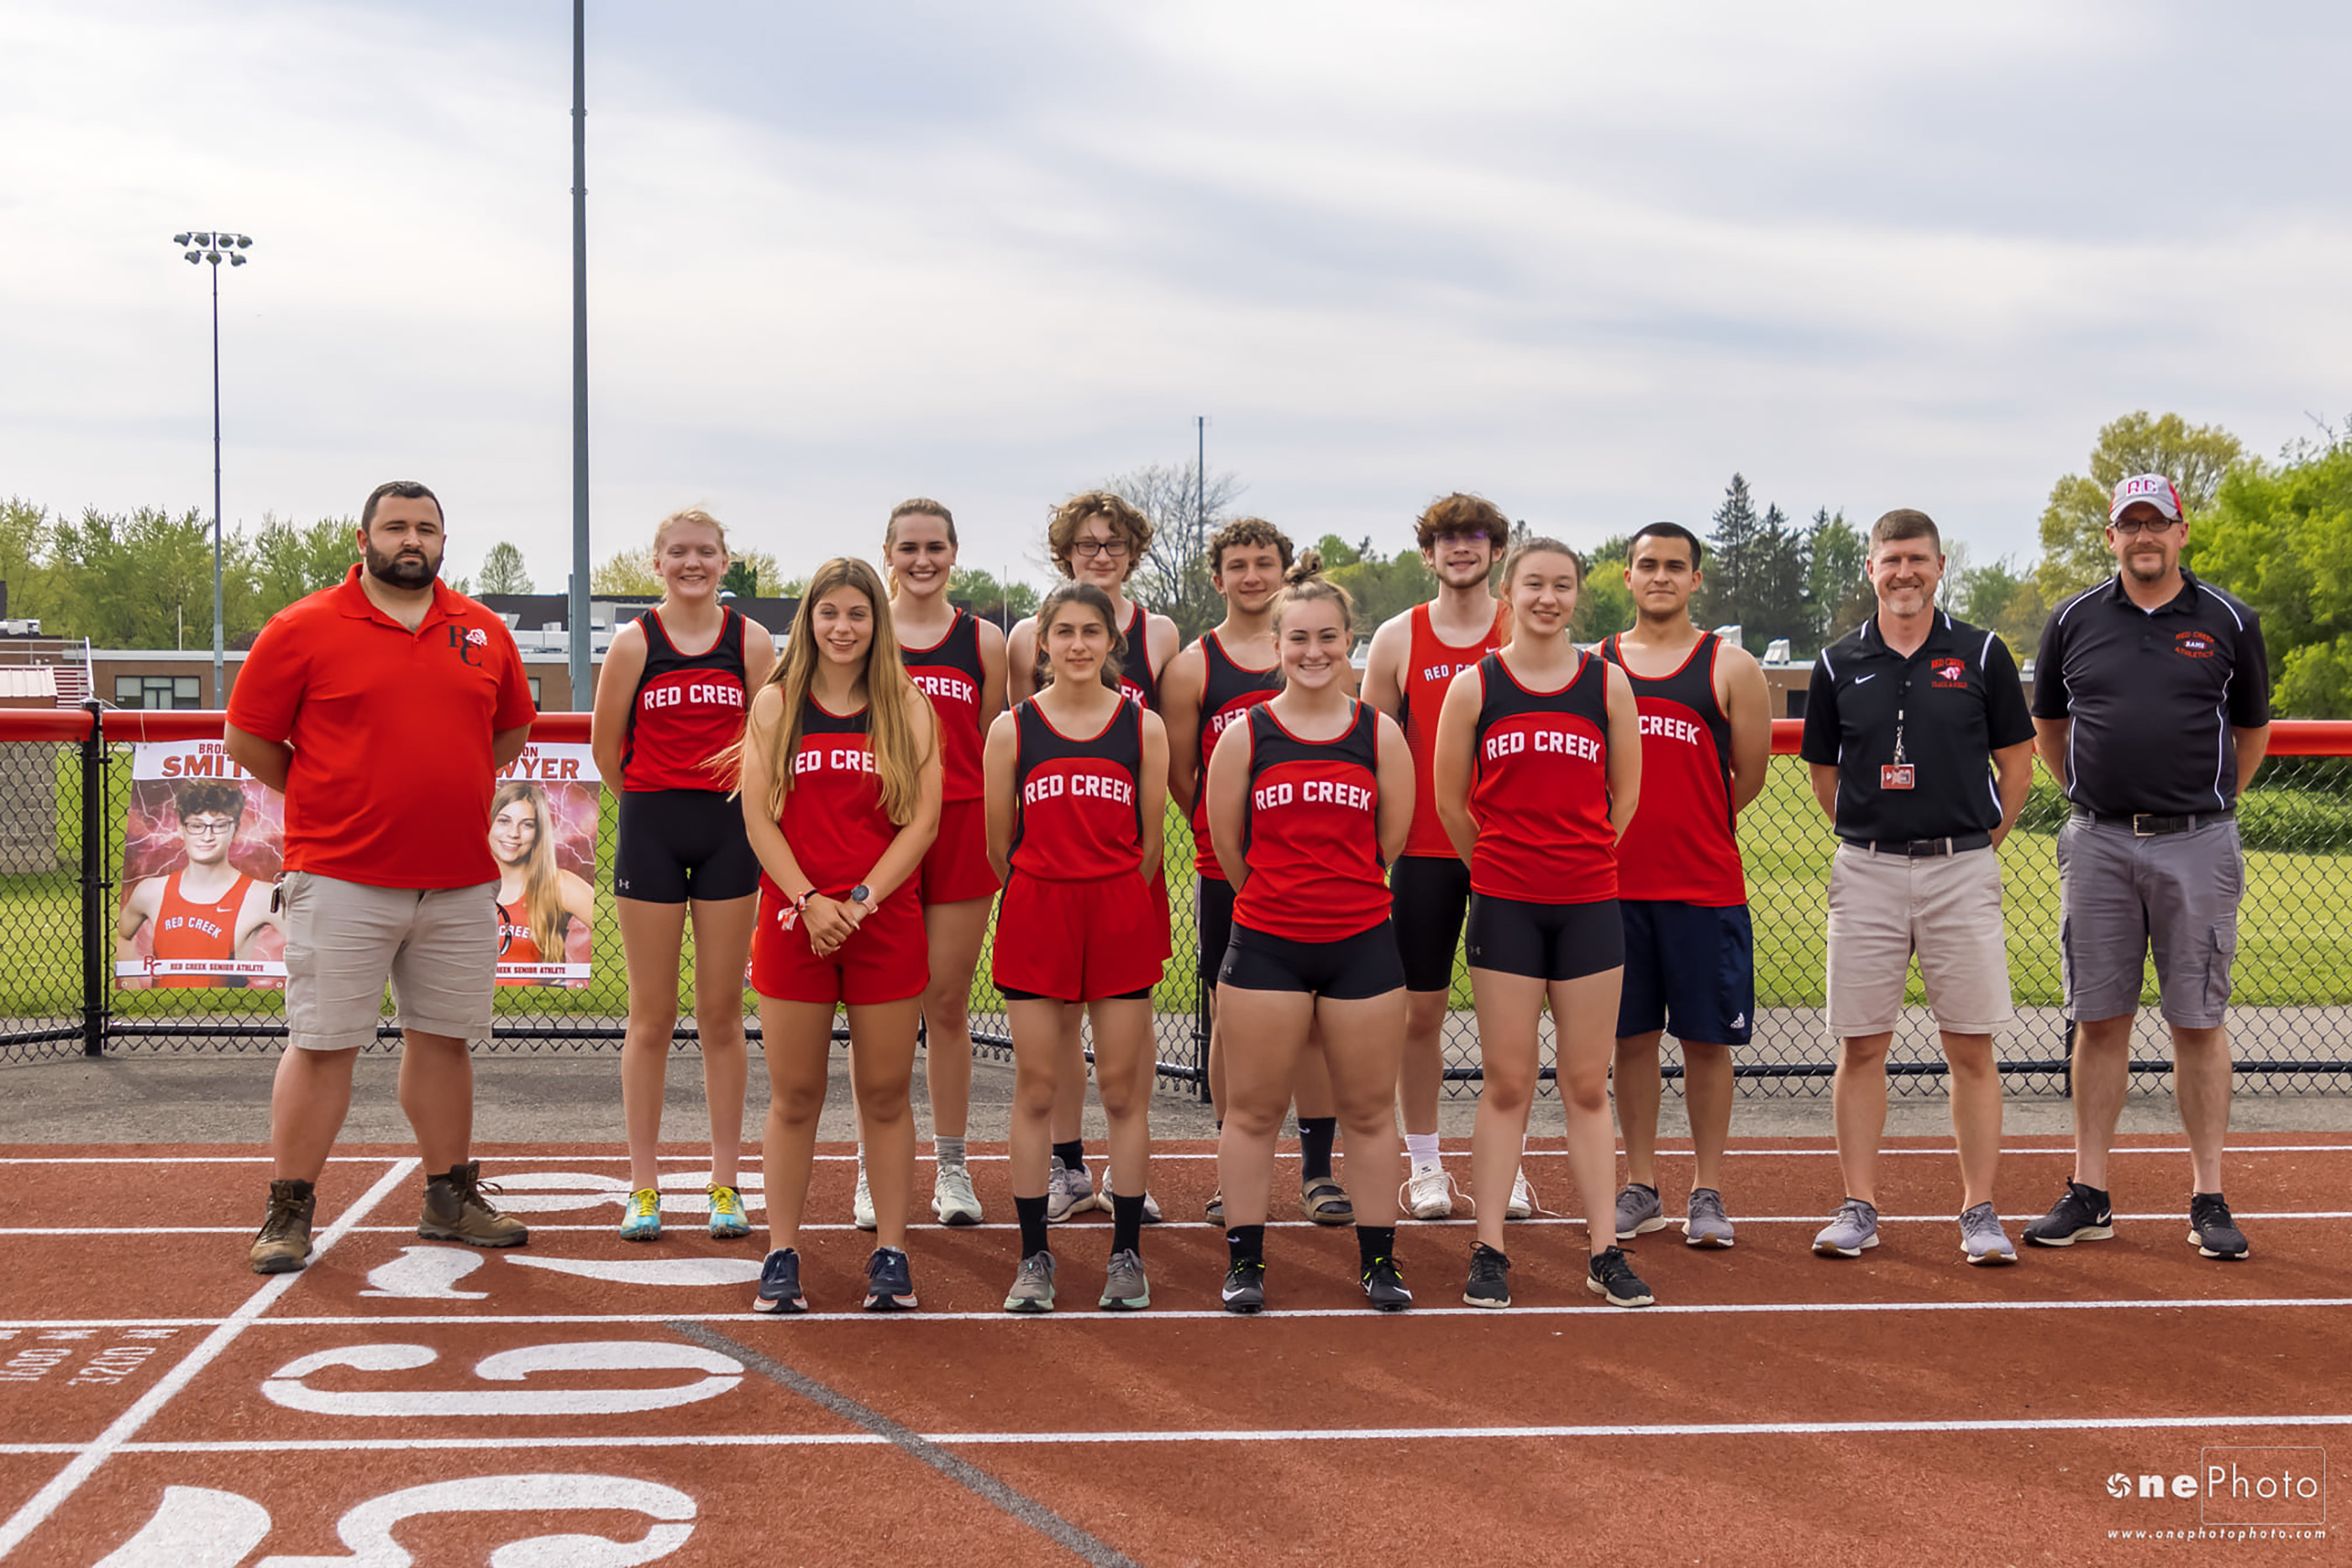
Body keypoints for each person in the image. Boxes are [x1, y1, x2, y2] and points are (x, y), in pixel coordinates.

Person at [226, 479, 535, 1274]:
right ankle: (288, 1207)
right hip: (341, 874)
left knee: (443, 1040)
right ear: (361, 537)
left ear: (443, 541)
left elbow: (506, 735)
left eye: (426, 528)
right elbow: (249, 739)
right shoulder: (302, 627)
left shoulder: (483, 629)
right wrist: (334, 790)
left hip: (459, 879)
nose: (412, 540)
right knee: (324, 1042)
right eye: (395, 526)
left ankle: (448, 1195)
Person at [2024, 473, 2271, 1261]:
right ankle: (2090, 1190)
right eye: (2129, 525)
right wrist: (2094, 798)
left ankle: (2207, 1195)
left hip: (2198, 840)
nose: (2143, 537)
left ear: (2182, 530)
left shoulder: (2230, 619)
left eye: (2155, 523)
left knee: (2197, 1020)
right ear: (2110, 537)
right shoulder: (2072, 618)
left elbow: (2252, 732)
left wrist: (2208, 801)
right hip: (2097, 841)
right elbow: (2048, 730)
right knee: (2098, 1022)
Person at [1798, 509, 2034, 1266]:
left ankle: (1979, 1211)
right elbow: (1824, 776)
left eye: (1918, 560)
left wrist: (1966, 844)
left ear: (1940, 568)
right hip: (1865, 867)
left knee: (1971, 1046)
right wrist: (1876, 837)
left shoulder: (1983, 652)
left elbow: (2018, 767)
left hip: (1960, 866)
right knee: (1861, 1044)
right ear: (1870, 569)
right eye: (1890, 559)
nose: (1904, 572)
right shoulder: (1838, 662)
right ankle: (1859, 1205)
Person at [1434, 538, 1649, 1308]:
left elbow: (1623, 800)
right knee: (1507, 1081)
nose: (1548, 598)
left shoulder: (1607, 685)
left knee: (1588, 1083)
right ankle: (1489, 1246)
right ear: (1510, 592)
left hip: (1589, 902)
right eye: (1534, 584)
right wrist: (1499, 865)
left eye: (1562, 585)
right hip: (1506, 903)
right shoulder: (1477, 685)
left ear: (1578, 595)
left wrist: (1579, 858)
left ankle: (1604, 1249)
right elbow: (1451, 803)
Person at [1206, 558, 1415, 1313]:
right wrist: (1279, 895)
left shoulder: (1378, 733)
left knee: (1366, 1110)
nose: (1314, 650)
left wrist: (1339, 894)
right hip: (1266, 941)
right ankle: (1246, 1261)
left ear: (1351, 642)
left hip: (1361, 940)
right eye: (1299, 637)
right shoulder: (1247, 734)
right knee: (1255, 1111)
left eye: (1329, 636)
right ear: (1276, 645)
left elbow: (1388, 840)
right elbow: (1230, 844)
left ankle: (1378, 1261)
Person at [736, 556, 941, 1314]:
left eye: (858, 613)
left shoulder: (907, 707)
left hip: (881, 920)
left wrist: (856, 899)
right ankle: (781, 1250)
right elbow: (759, 817)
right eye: (830, 614)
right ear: (810, 621)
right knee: (795, 1094)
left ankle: (891, 1250)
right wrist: (810, 900)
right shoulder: (777, 704)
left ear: (876, 622)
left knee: (884, 1093)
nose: (843, 627)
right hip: (795, 921)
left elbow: (922, 821)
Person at [1160, 517, 1353, 1228]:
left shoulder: (1314, 650)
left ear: (1283, 569)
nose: (1250, 575)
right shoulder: (1195, 665)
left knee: (1314, 1026)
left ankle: (1317, 1169)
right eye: (1236, 564)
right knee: (1228, 1022)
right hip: (1231, 870)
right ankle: (1230, 1170)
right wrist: (1226, 843)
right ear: (1217, 577)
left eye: (1263, 562)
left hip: (1317, 874)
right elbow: (1184, 774)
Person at [590, 507, 774, 1245]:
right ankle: (643, 1185)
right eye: (678, 552)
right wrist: (650, 800)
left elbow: (770, 737)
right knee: (652, 1015)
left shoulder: (751, 641)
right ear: (656, 562)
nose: (691, 562)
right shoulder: (636, 643)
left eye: (705, 551)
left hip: (731, 828)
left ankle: (725, 1182)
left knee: (723, 1015)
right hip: (653, 828)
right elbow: (609, 750)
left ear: (726, 561)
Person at [987, 583, 1171, 1312]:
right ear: (1042, 642)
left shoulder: (1141, 726)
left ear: (1110, 641)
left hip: (1118, 908)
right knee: (1037, 1087)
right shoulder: (1014, 728)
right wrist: (1049, 885)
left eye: (1092, 631)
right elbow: (1001, 846)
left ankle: (1126, 1252)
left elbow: (1152, 843)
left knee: (1123, 1090)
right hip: (1039, 908)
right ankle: (1035, 1255)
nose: (1077, 644)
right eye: (1063, 631)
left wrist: (1109, 891)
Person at [1598, 523, 1770, 1249]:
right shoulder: (1595, 666)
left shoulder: (1730, 666)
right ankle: (1641, 1182)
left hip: (1703, 888)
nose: (1661, 576)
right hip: (1612, 887)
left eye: (1675, 566)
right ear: (1628, 577)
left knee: (1706, 1042)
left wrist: (1690, 823)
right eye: (1648, 565)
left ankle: (1707, 1188)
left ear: (1696, 579)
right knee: (1629, 1039)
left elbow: (1750, 776)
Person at [1007, 490, 1178, 1222]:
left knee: (1120, 1047)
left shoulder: (1161, 633)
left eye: (1112, 543)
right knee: (1052, 1040)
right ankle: (1069, 1166)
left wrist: (1121, 880)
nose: (1099, 553)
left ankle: (1125, 1182)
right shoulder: (1026, 639)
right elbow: (1011, 798)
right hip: (1050, 862)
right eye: (1086, 543)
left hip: (1120, 868)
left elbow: (1156, 786)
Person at [844, 499, 1006, 1232]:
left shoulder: (983, 640)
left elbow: (998, 738)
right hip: (883, 828)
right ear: (887, 551)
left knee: (945, 1003)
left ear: (954, 552)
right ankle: (870, 1168)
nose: (921, 559)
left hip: (964, 824)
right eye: (907, 546)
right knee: (881, 1009)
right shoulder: (865, 633)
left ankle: (950, 1162)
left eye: (934, 546)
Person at [1360, 492, 1521, 1221]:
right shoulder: (1398, 638)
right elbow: (1372, 754)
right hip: (1424, 855)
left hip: (1509, 853)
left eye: (1476, 536)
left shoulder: (1523, 626)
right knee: (1419, 1015)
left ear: (1496, 550)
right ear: (1428, 554)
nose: (1462, 548)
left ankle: (1506, 1163)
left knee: (1508, 1020)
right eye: (1447, 538)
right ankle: (1425, 1164)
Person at [115, 779, 281, 988]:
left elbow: (306, 945)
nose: (207, 836)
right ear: (181, 829)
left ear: (235, 829)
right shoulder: (151, 891)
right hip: (164, 1011)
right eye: (197, 825)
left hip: (227, 1014)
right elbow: (123, 935)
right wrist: (131, 984)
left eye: (220, 826)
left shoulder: (261, 896)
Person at [488, 780, 594, 978]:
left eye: (527, 825)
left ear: (539, 832)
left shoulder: (558, 884)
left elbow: (612, 929)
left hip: (536, 1000)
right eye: (504, 821)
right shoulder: (466, 884)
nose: (513, 833)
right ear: (490, 824)